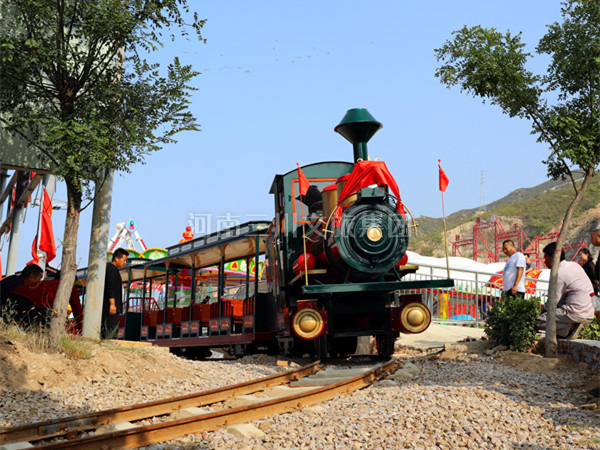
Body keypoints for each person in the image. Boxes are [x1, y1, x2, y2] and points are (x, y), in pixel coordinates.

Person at [536, 242, 595, 338]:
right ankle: (567, 327)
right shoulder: (574, 265)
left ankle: (568, 329)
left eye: (545, 258)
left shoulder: (559, 274)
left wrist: (541, 308)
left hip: (575, 313)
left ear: (552, 257)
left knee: (538, 321)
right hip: (588, 310)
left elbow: (552, 302)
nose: (544, 262)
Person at [102, 248, 128, 338]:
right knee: (110, 333)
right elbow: (110, 287)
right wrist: (112, 304)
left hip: (107, 307)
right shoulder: (112, 270)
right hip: (110, 308)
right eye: (124, 260)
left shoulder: (108, 268)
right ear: (116, 258)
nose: (125, 262)